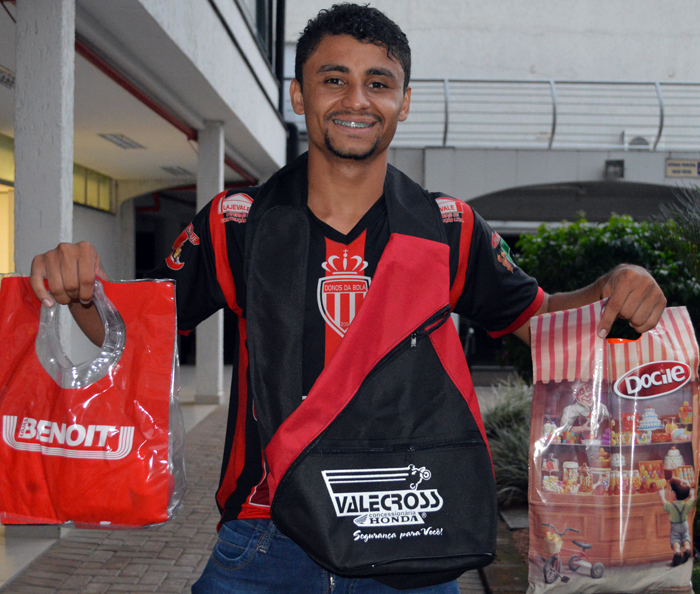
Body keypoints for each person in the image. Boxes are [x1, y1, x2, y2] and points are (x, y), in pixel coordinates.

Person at [29, 4, 666, 593]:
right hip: (267, 539)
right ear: (299, 95)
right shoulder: (238, 222)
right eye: (334, 80)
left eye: (379, 83)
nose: (357, 100)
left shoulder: (449, 228)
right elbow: (132, 332)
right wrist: (80, 292)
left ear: (404, 101)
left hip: (414, 531)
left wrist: (611, 287)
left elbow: (539, 320)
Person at [658, 478, 695, 566]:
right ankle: (687, 548)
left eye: (670, 490)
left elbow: (664, 503)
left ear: (673, 493)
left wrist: (662, 496)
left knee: (675, 540)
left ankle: (677, 552)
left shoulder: (671, 506)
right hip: (685, 524)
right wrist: (691, 492)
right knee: (685, 537)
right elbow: (692, 498)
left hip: (675, 526)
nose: (669, 491)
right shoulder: (687, 504)